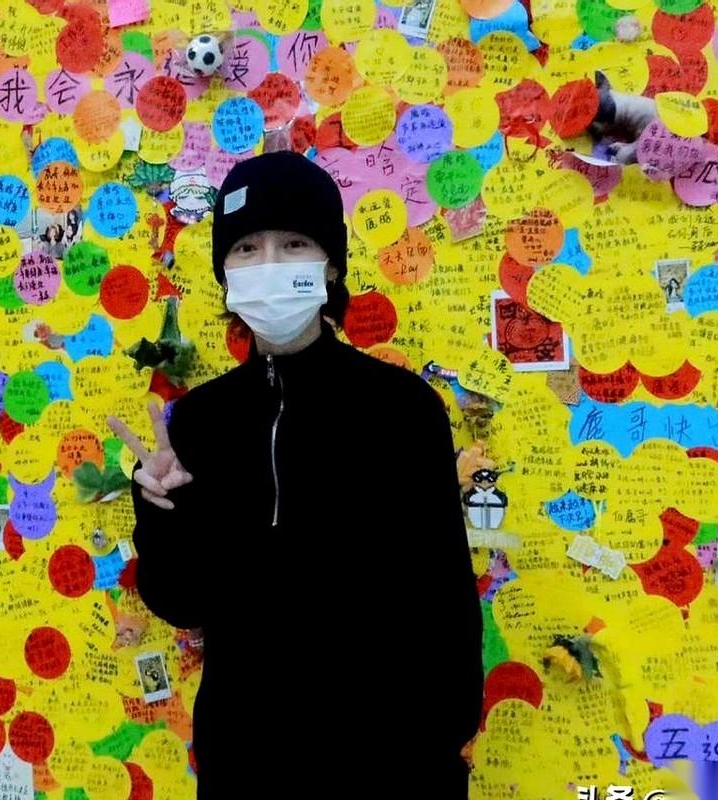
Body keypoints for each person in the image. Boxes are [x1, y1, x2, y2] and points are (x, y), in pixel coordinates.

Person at [108, 151, 483, 798]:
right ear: (224, 272)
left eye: (293, 244)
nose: (269, 264)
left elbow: (443, 596)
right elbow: (181, 600)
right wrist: (163, 510)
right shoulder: (199, 420)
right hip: (247, 760)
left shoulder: (401, 408)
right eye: (246, 248)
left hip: (392, 762)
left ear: (330, 264)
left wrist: (438, 746)